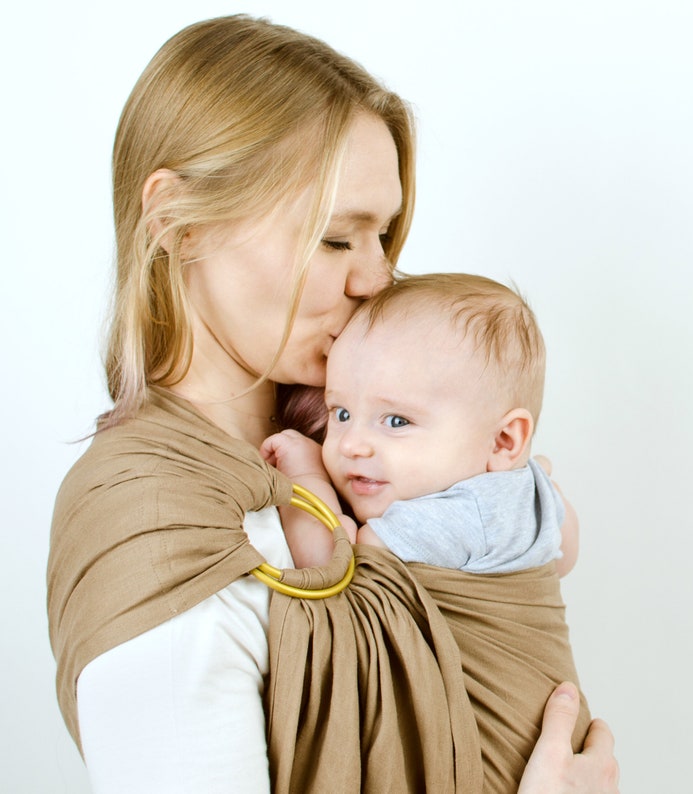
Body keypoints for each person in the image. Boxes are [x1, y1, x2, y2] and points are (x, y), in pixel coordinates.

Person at [45, 14, 618, 794]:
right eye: (337, 239)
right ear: (179, 224)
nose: (377, 277)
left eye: (383, 235)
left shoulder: (388, 455)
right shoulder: (152, 524)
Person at [262, 273, 591, 789]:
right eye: (341, 413)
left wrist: (304, 475)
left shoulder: (450, 514)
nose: (350, 444)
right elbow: (565, 554)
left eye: (395, 422)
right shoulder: (535, 488)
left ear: (504, 441)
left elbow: (331, 566)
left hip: (494, 761)